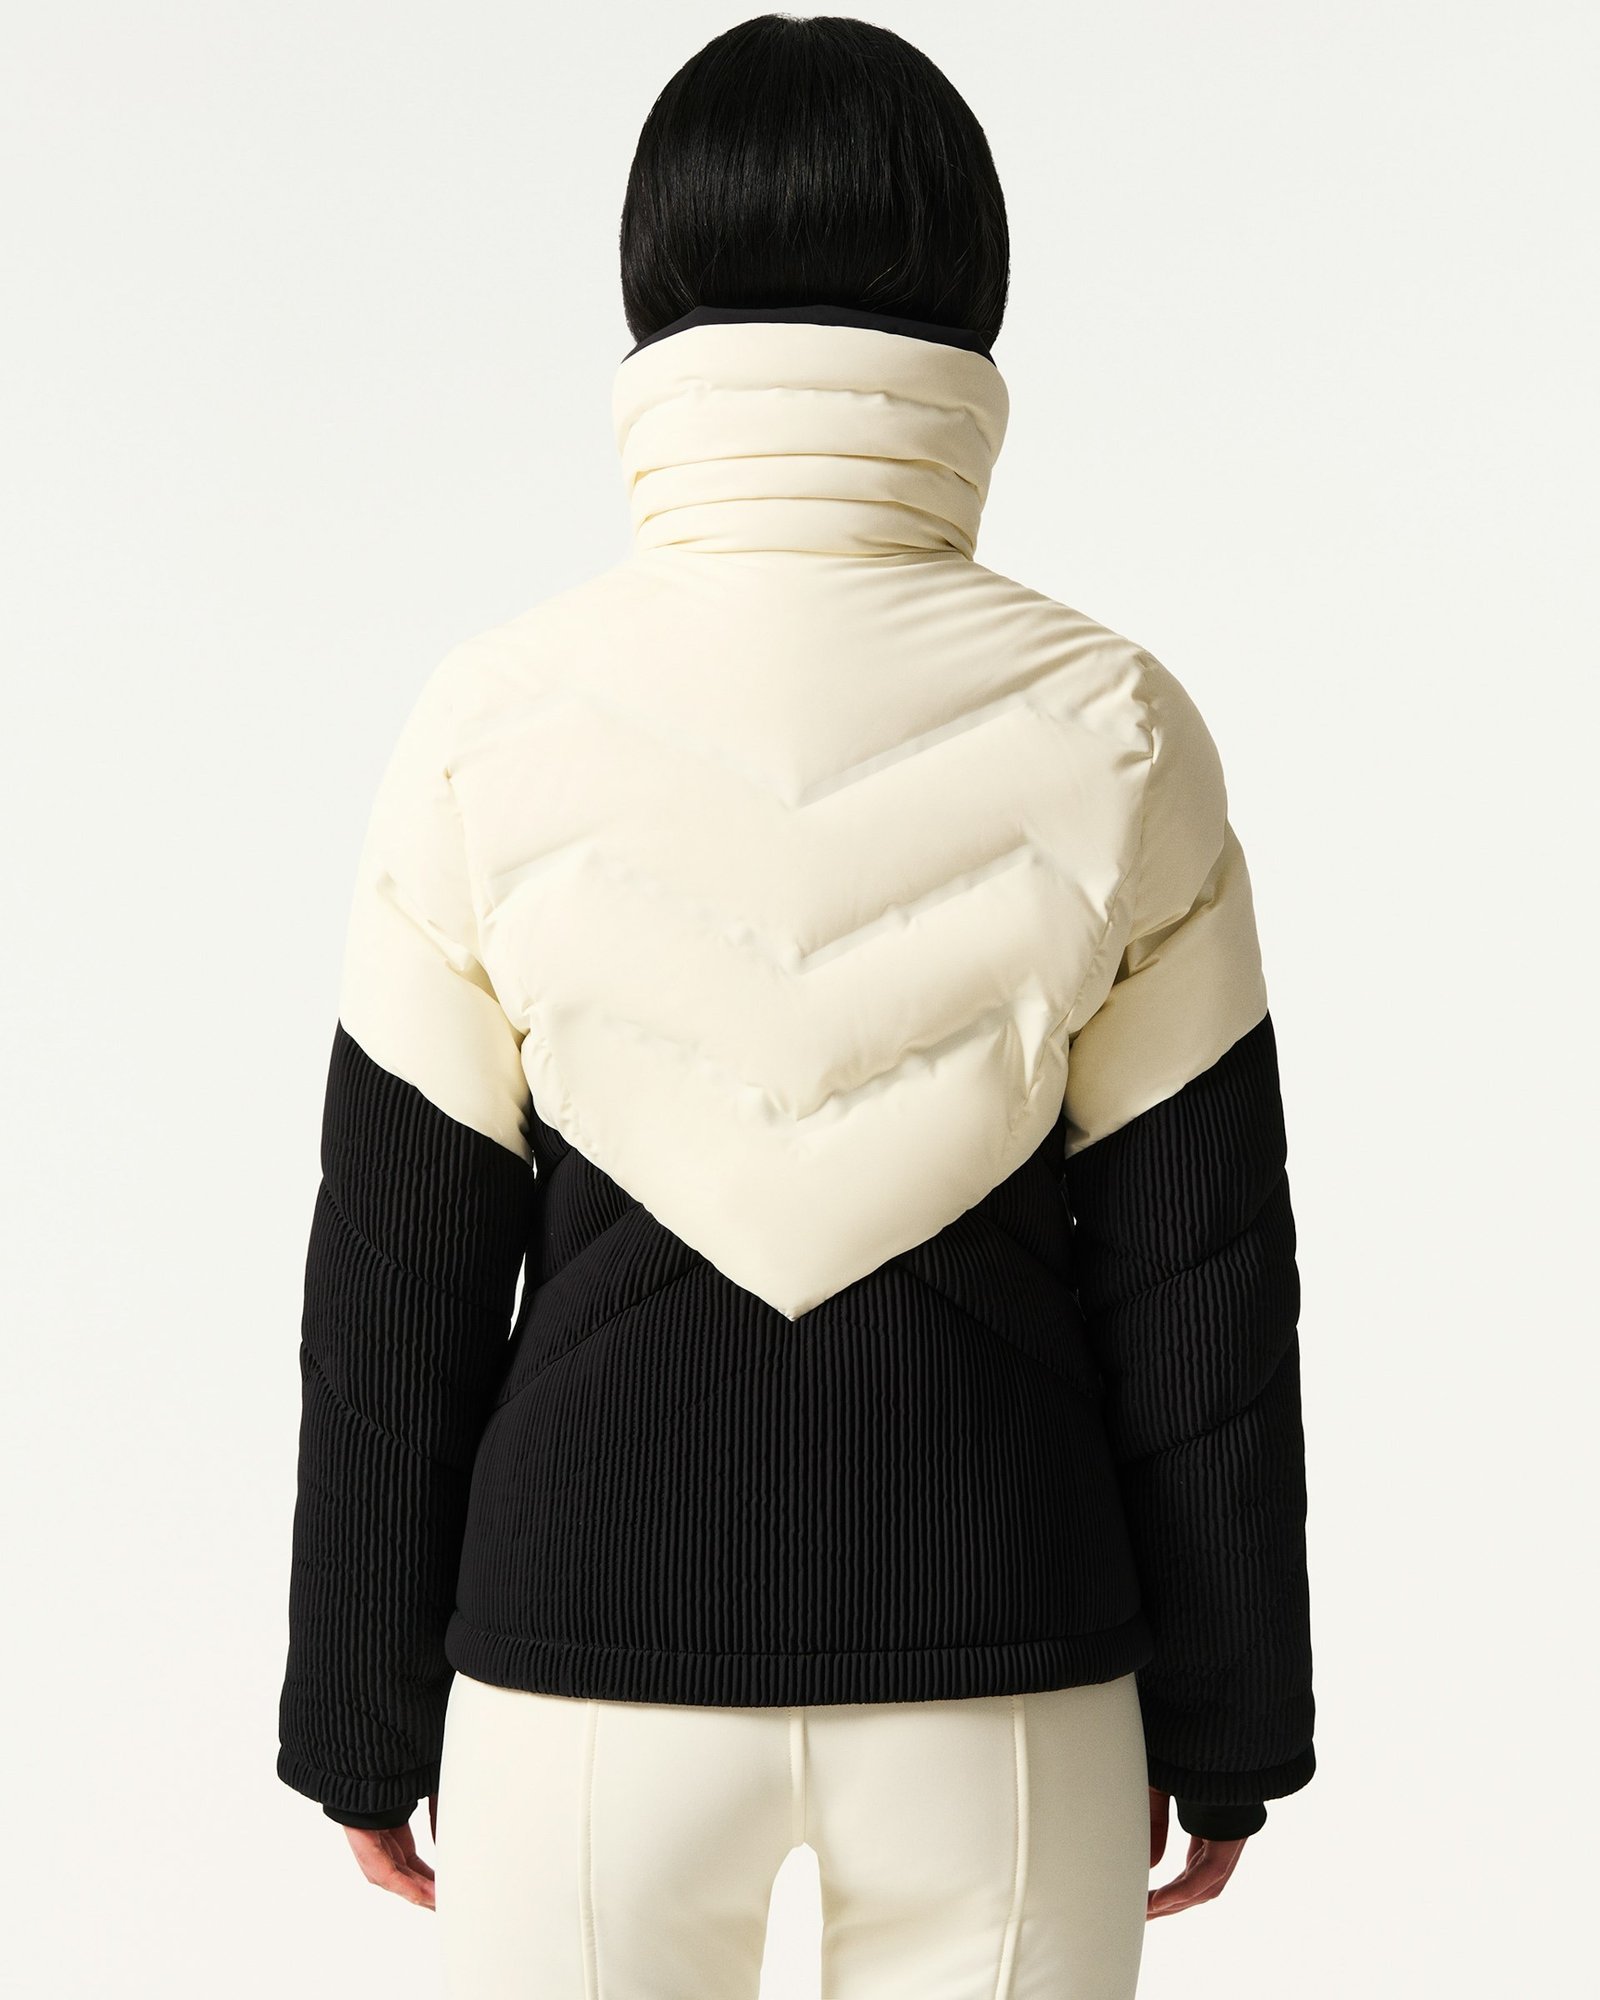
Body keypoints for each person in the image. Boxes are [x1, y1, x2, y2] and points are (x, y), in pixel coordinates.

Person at [276, 15, 1315, 1995]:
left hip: (583, 1669)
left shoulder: (487, 720)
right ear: (976, 292)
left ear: (649, 291)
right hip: (1006, 1663)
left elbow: (398, 1275)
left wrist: (356, 1709)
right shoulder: (1113, 720)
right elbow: (1198, 1277)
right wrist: (1232, 1723)